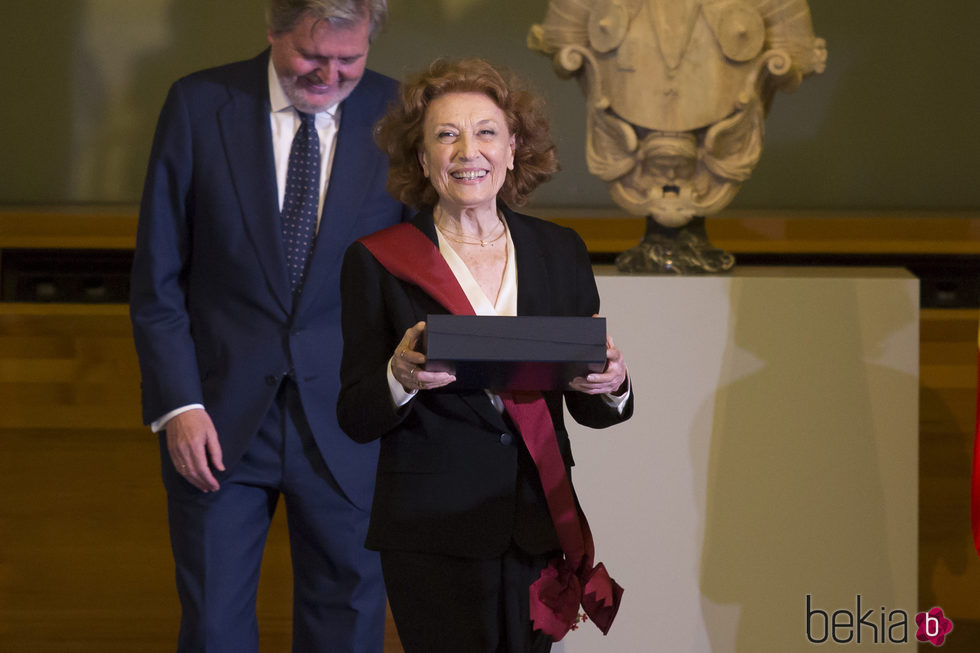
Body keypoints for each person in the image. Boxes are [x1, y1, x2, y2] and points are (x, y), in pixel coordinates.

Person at [129, 1, 408, 651]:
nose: (330, 74)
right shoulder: (200, 105)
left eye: (350, 59)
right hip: (217, 420)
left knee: (346, 622)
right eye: (312, 55)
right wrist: (179, 405)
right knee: (213, 628)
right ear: (272, 29)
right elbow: (158, 277)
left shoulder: (402, 116)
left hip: (350, 419)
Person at [337, 58, 634, 653]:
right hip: (431, 533)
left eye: (486, 132)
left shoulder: (560, 251)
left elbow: (591, 407)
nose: (468, 150)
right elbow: (356, 415)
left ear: (513, 148)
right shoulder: (376, 259)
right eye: (446, 135)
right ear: (423, 160)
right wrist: (398, 377)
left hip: (536, 522)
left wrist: (615, 384)